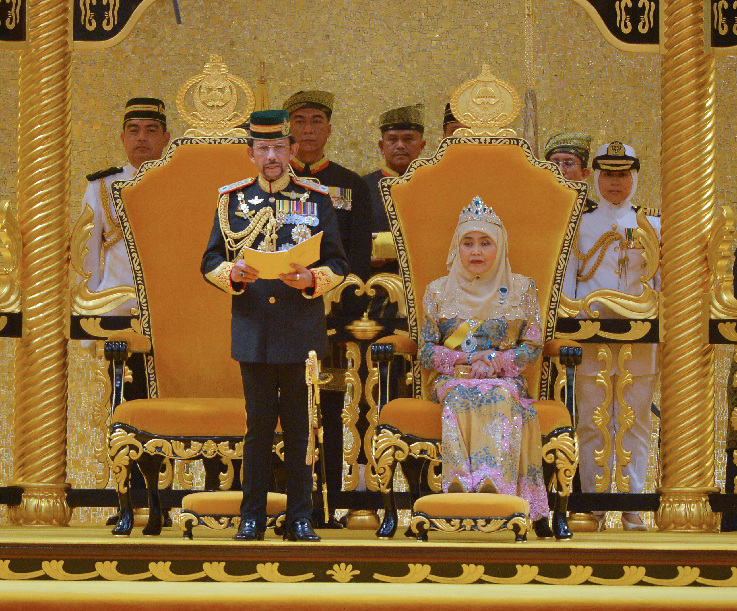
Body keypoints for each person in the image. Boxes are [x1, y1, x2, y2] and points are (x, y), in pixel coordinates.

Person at [201, 110, 349, 542]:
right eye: (263, 148)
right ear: (250, 153)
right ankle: (252, 516)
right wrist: (232, 273)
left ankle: (301, 517)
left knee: (302, 429)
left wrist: (312, 280)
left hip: (301, 330)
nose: (271, 156)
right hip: (254, 330)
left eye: (279, 148)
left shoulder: (315, 199)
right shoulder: (231, 200)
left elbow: (338, 263)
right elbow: (210, 260)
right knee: (258, 428)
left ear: (292, 150)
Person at [418, 195, 550, 527]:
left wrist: (495, 361)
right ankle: (459, 487)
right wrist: (465, 359)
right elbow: (426, 351)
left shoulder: (522, 289)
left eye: (485, 243)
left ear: (500, 247)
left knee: (499, 395)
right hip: (453, 380)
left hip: (505, 379)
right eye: (468, 243)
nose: (476, 251)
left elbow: (533, 346)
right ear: (457, 248)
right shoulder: (437, 292)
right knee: (460, 395)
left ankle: (496, 489)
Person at [562, 141, 661, 532]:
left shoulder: (650, 224)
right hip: (591, 335)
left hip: (640, 335)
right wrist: (570, 328)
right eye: (608, 174)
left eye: (622, 174)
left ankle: (633, 505)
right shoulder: (579, 224)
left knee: (635, 421)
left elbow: (658, 283)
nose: (615, 182)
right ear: (596, 177)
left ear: (634, 176)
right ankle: (596, 503)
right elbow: (569, 282)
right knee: (592, 420)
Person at [82, 97, 171, 317]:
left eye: (151, 130)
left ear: (166, 138)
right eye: (133, 130)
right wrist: (88, 308)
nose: (141, 137)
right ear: (123, 138)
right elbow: (88, 253)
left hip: (168, 308)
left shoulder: (179, 184)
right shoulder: (101, 186)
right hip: (113, 307)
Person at [283, 90, 373, 285]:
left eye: (317, 121)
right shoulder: (275, 180)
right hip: (285, 284)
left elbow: (360, 250)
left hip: (338, 289)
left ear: (329, 130)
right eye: (300, 121)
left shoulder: (352, 184)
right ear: (287, 129)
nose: (308, 130)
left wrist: (350, 292)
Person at [363, 104, 426, 234]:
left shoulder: (433, 186)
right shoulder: (363, 187)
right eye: (392, 140)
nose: (400, 146)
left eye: (408, 139)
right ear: (381, 147)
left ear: (422, 146)